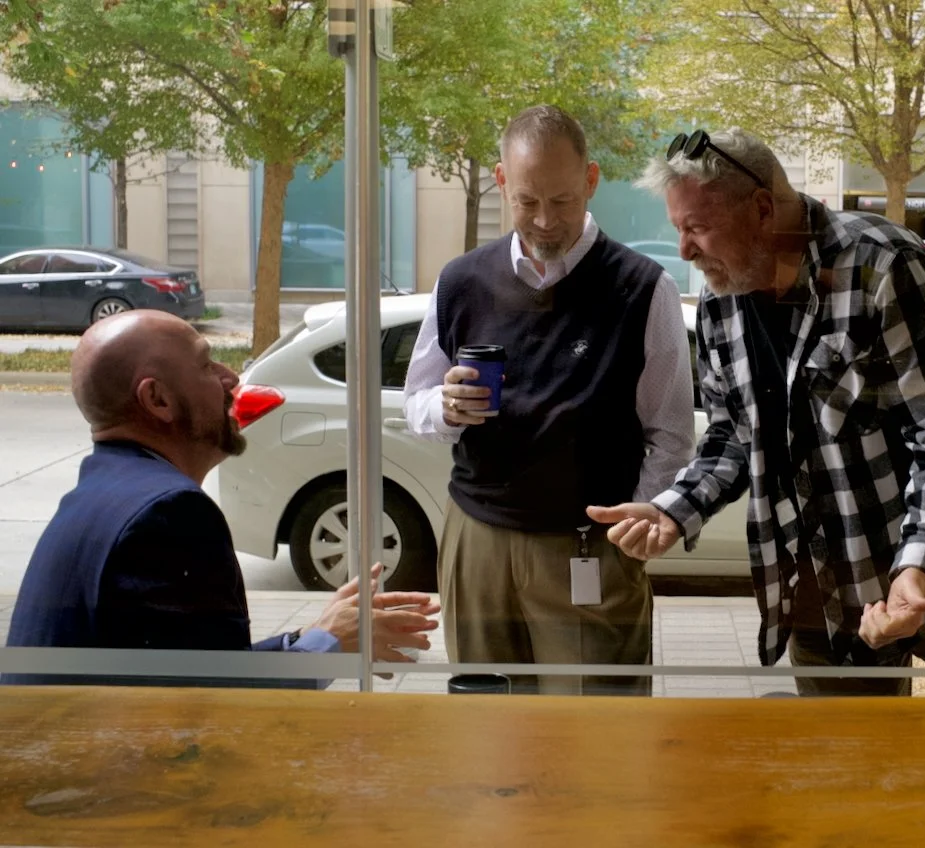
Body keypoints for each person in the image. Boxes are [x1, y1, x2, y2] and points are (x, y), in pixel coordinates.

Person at [588, 128, 925, 696]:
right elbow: (733, 435)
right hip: (829, 577)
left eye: (697, 227)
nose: (684, 250)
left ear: (760, 209)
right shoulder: (717, 299)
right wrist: (676, 510)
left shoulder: (882, 265)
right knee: (843, 768)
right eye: (678, 229)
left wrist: (918, 567)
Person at [402, 105, 694, 696]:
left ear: (590, 181)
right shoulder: (460, 280)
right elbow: (416, 403)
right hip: (476, 539)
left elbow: (669, 432)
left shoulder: (642, 288)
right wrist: (445, 410)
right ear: (502, 180)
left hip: (589, 544)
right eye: (527, 200)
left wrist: (630, 534)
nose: (543, 220)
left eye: (561, 201)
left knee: (597, 735)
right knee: (485, 721)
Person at [3, 310, 439, 689]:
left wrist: (314, 634)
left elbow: (194, 670)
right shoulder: (167, 514)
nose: (231, 378)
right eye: (207, 365)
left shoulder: (105, 491)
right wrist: (326, 645)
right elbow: (218, 700)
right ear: (158, 399)